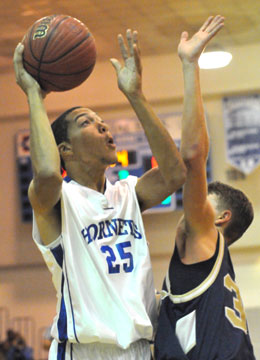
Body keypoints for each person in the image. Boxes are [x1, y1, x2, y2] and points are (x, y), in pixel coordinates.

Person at [13, 29, 186, 360]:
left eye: (102, 120)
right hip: (86, 351)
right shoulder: (57, 200)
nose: (104, 127)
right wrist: (35, 95)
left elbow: (175, 173)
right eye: (87, 123)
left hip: (140, 348)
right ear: (65, 150)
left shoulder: (127, 192)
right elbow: (48, 172)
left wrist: (135, 95)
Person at [154, 15, 256, 360]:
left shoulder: (204, 239)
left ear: (221, 219)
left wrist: (189, 65)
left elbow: (194, 156)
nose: (191, 207)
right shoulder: (215, 277)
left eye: (203, 201)